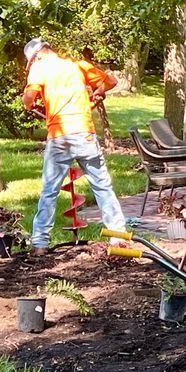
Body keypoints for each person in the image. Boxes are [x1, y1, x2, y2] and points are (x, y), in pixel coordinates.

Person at [22, 38, 127, 254]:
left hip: (59, 136)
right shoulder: (77, 65)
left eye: (32, 61)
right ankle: (118, 239)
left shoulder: (39, 68)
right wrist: (98, 92)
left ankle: (40, 243)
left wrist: (30, 103)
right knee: (102, 186)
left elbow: (28, 99)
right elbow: (111, 81)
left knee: (49, 190)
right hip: (84, 133)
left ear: (38, 55)